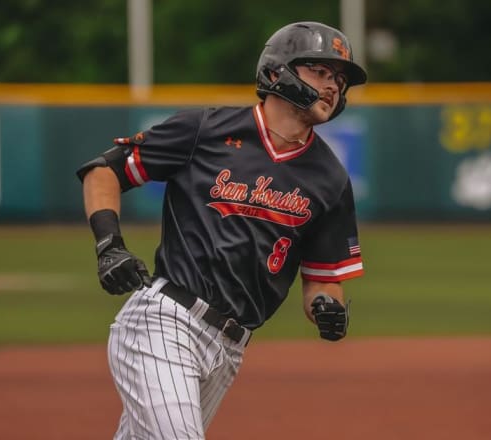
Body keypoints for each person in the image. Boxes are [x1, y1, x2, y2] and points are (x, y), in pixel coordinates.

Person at [76, 21, 367, 440]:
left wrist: (327, 307)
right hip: (164, 321)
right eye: (320, 71)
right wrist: (109, 245)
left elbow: (322, 280)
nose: (333, 86)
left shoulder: (330, 178)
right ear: (277, 71)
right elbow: (104, 171)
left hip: (229, 349)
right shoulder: (207, 129)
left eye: (339, 79)